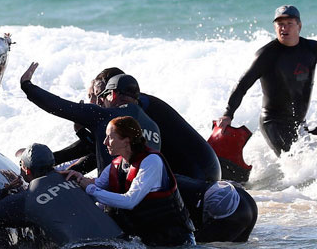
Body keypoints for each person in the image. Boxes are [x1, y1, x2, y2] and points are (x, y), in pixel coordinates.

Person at [217, 5, 317, 156]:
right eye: (280, 24)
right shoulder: (266, 55)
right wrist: (228, 114)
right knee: (295, 162)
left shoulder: (311, 48)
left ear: (299, 26)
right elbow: (242, 85)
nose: (284, 28)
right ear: (275, 27)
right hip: (273, 122)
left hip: (298, 123)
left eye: (289, 24)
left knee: (305, 162)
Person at [54, 67, 221, 182]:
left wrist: (54, 165)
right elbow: (102, 148)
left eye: (98, 96)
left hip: (195, 175)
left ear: (113, 92)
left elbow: (98, 149)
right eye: (91, 97)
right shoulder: (136, 105)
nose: (95, 103)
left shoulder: (134, 112)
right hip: (206, 171)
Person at [64, 116, 195, 247]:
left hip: (177, 244)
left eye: (109, 137)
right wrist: (78, 178)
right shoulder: (116, 165)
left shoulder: (152, 161)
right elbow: (95, 186)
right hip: (148, 243)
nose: (105, 142)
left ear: (126, 141)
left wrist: (90, 188)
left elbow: (130, 201)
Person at [21, 63, 161, 174]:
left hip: (115, 202)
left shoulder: (105, 115)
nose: (100, 102)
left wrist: (27, 86)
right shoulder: (153, 124)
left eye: (102, 96)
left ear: (113, 94)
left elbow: (58, 106)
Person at [175, 175, 258, 243]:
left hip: (227, 205)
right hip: (244, 198)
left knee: (197, 246)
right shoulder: (173, 178)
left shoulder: (168, 185)